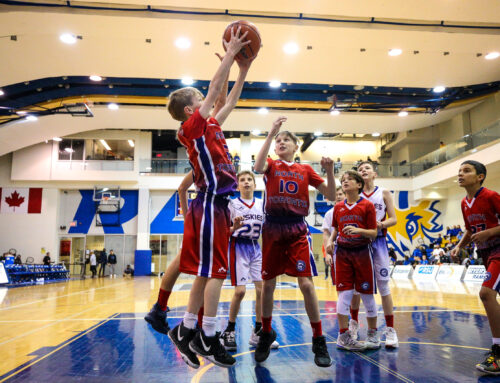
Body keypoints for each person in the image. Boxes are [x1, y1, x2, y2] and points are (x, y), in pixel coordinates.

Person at [167, 28, 254, 369]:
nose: (209, 99)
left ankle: (187, 328)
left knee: (205, 273)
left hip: (218, 205)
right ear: (191, 110)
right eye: (201, 99)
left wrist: (243, 70)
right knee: (217, 272)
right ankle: (207, 333)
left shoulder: (212, 124)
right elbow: (217, 89)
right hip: (207, 202)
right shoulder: (191, 128)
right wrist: (231, 55)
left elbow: (228, 99)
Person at [253, 116, 335, 367]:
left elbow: (331, 195)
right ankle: (266, 332)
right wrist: (270, 134)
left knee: (306, 285)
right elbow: (256, 167)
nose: (281, 142)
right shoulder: (270, 164)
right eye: (278, 140)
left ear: (296, 146)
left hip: (297, 228)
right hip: (272, 227)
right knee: (268, 285)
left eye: (286, 139)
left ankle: (318, 338)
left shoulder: (305, 170)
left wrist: (330, 171)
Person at [450, 160, 500, 375]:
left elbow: (488, 229)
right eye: (460, 171)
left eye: (467, 170)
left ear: (480, 176)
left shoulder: (491, 196)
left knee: (486, 293)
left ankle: (497, 351)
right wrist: (458, 246)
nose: (461, 174)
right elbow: (470, 230)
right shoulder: (464, 202)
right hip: (487, 254)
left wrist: (490, 232)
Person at [221, 171, 279, 351]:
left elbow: (269, 228)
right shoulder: (232, 205)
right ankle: (229, 330)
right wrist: (233, 227)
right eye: (242, 180)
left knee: (262, 290)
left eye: (249, 180)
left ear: (255, 185)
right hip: (238, 246)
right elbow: (223, 232)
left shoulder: (262, 205)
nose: (246, 182)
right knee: (240, 292)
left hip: (256, 247)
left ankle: (258, 331)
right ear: (237, 186)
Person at [349, 161, 399, 348]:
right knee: (356, 288)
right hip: (359, 244)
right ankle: (353, 325)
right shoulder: (356, 194)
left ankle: (390, 330)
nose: (363, 171)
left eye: (367, 168)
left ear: (375, 173)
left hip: (378, 243)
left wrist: (380, 224)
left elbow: (393, 219)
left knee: (384, 287)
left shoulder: (383, 193)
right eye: (360, 169)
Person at [326, 170, 378, 351]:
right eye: (343, 180)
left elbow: (374, 232)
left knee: (366, 294)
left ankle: (372, 333)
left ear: (359, 185)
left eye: (349, 179)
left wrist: (359, 231)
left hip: (362, 252)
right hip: (343, 254)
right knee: (345, 294)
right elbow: (335, 229)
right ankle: (343, 335)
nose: (345, 182)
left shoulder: (368, 205)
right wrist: (331, 242)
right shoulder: (338, 207)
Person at [321, 187, 345, 281]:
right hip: (337, 251)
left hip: (353, 250)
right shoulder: (329, 214)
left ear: (346, 195)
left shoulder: (354, 209)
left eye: (340, 194)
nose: (338, 197)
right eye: (336, 195)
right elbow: (326, 234)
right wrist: (327, 254)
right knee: (339, 283)